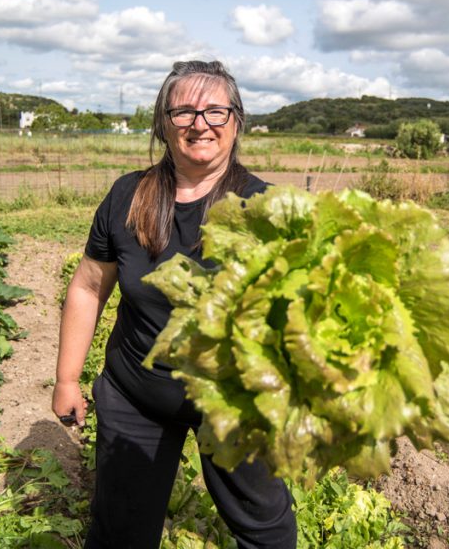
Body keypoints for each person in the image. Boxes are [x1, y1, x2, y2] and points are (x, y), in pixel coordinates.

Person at [53, 60, 297, 549]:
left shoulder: (267, 210)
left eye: (215, 111)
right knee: (120, 530)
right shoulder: (128, 195)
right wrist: (66, 379)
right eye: (183, 111)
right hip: (136, 393)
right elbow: (87, 286)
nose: (199, 123)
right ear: (163, 123)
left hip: (232, 402)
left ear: (237, 120)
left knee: (264, 528)